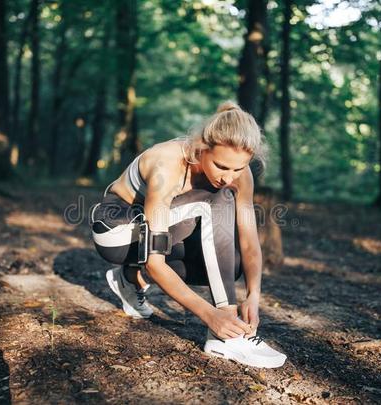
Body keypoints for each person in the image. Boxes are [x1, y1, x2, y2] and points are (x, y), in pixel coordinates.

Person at [91, 101, 286, 368]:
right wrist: (212, 315)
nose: (228, 178)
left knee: (234, 262)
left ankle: (129, 278)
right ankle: (224, 335)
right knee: (217, 200)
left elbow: (250, 243)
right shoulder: (167, 165)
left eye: (238, 168)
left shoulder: (240, 175)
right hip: (116, 229)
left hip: (159, 230)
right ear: (201, 148)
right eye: (221, 166)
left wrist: (254, 294)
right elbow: (156, 263)